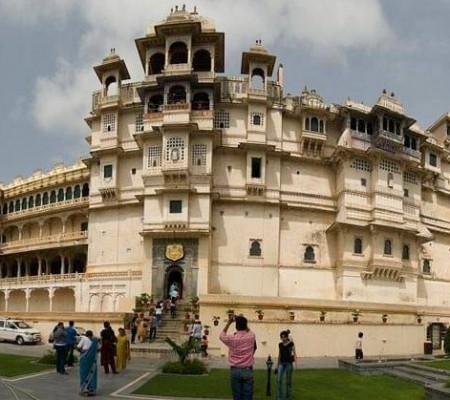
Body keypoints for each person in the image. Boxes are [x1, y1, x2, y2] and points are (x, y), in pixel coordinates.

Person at [220, 315, 256, 400]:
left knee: (237, 396)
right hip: (247, 369)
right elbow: (248, 330)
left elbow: (221, 335)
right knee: (248, 396)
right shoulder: (251, 336)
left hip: (235, 369)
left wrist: (229, 322)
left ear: (236, 326)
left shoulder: (232, 338)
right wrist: (241, 320)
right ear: (245, 325)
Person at [275, 330, 297, 400]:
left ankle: (288, 396)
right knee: (279, 380)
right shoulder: (280, 345)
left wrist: (296, 363)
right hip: (281, 363)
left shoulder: (291, 344)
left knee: (288, 381)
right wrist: (277, 365)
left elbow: (295, 353)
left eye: (284, 337)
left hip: (288, 363)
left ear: (287, 337)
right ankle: (279, 397)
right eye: (281, 337)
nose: (283, 339)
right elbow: (279, 355)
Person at [77, 330, 98, 396]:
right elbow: (98, 349)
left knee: (84, 373)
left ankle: (84, 389)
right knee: (92, 373)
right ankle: (92, 389)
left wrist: (82, 352)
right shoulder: (95, 341)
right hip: (92, 360)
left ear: (86, 335)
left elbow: (78, 347)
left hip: (84, 359)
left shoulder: (84, 338)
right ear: (91, 335)